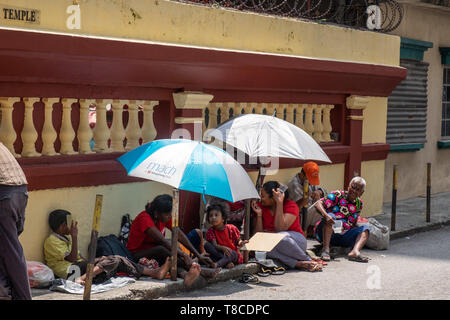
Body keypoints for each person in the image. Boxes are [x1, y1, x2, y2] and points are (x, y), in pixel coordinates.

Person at [43, 209, 171, 285]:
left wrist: (98, 262)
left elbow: (79, 257)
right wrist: (75, 237)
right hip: (70, 272)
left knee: (116, 260)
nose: (71, 226)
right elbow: (71, 259)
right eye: (68, 224)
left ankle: (155, 273)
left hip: (79, 266)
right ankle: (83, 278)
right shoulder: (52, 241)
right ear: (61, 226)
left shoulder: (67, 238)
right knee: (113, 260)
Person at [126, 194, 221, 287]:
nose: (169, 216)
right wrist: (184, 255)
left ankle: (185, 275)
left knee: (173, 252)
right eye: (167, 214)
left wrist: (198, 255)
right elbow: (163, 241)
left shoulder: (161, 215)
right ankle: (201, 271)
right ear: (156, 213)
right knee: (164, 249)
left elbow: (179, 234)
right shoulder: (144, 219)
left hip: (154, 253)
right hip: (136, 254)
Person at [251, 181, 322, 272]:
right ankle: (297, 263)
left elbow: (280, 228)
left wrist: (279, 203)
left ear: (273, 197)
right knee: (260, 249)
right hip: (275, 243)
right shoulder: (261, 207)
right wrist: (259, 215)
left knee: (281, 237)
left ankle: (307, 259)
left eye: (263, 196)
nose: (260, 199)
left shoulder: (291, 205)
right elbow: (258, 236)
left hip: (295, 242)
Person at [0, 142, 32, 300]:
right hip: (20, 191)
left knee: (10, 250)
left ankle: (21, 296)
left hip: (5, 193)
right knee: (8, 248)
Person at [313, 177, 370, 263]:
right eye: (353, 187)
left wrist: (357, 231)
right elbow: (317, 204)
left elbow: (353, 222)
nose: (354, 191)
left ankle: (355, 252)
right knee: (332, 216)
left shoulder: (359, 203)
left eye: (357, 189)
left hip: (343, 235)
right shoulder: (337, 195)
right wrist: (326, 215)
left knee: (365, 229)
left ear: (361, 193)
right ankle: (325, 249)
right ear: (348, 187)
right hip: (326, 232)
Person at [287, 161, 327, 237]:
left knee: (327, 203)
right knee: (318, 206)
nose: (310, 183)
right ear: (302, 175)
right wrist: (308, 197)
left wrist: (319, 192)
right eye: (309, 179)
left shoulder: (309, 182)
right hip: (300, 216)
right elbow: (300, 207)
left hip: (309, 213)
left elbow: (324, 191)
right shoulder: (294, 185)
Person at [205, 202, 248, 269]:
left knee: (233, 253)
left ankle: (217, 264)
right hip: (220, 253)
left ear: (223, 218)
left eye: (216, 215)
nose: (213, 217)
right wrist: (223, 248)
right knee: (207, 245)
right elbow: (215, 245)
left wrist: (241, 243)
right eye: (211, 216)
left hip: (232, 254)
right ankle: (226, 263)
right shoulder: (211, 231)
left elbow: (238, 241)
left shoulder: (231, 228)